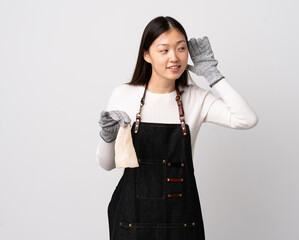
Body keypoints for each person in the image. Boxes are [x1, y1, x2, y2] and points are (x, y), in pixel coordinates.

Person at [96, 16, 258, 240]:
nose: (175, 57)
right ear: (146, 55)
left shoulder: (196, 98)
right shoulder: (124, 94)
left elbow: (247, 119)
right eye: (164, 50)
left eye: (181, 48)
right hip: (132, 222)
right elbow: (107, 164)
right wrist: (107, 135)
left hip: (181, 223)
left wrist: (211, 73)